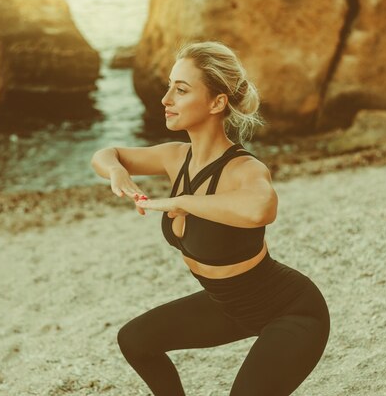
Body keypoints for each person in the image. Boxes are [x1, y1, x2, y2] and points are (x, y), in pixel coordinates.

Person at [90, 41, 329, 396]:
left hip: (291, 311)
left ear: (217, 102)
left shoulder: (244, 168)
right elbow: (105, 154)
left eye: (181, 89)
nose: (165, 99)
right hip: (228, 307)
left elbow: (261, 209)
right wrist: (116, 173)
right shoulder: (175, 157)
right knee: (136, 340)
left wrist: (184, 201)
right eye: (169, 85)